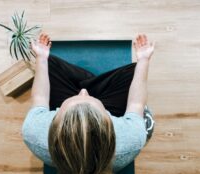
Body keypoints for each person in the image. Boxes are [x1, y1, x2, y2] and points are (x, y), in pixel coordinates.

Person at [22, 33, 155, 174]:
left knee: (49, 63)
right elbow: (136, 104)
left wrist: (41, 58)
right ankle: (92, 82)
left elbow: (39, 97)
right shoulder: (130, 139)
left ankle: (88, 80)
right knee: (134, 71)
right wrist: (144, 59)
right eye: (90, 99)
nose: (84, 91)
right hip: (113, 111)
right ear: (110, 123)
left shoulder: (34, 132)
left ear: (53, 123)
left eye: (76, 97)